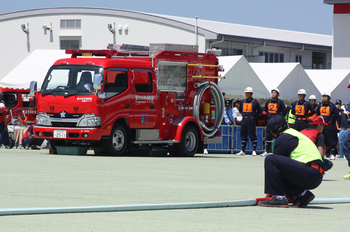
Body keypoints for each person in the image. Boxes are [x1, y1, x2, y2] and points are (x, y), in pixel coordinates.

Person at [258, 114, 324, 208]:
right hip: (315, 174)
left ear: (273, 132)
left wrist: (272, 193)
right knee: (280, 169)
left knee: (270, 159)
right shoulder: (294, 133)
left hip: (308, 172)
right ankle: (302, 195)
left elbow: (275, 170)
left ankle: (279, 198)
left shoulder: (284, 138)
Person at [236, 87, 262, 156]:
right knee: (243, 135)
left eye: (248, 93)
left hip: (251, 120)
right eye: (246, 93)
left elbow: (259, 111)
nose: (246, 94)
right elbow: (240, 110)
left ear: (251, 94)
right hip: (244, 119)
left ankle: (254, 150)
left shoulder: (255, 102)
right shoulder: (242, 101)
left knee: (252, 135)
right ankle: (243, 150)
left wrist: (254, 116)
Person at [261, 88, 285, 157]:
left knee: (277, 136)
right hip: (269, 121)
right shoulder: (268, 101)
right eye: (272, 93)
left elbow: (284, 111)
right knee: (268, 136)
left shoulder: (280, 102)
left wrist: (280, 117)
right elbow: (265, 110)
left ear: (277, 94)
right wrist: (265, 114)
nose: (273, 94)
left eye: (275, 93)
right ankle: (266, 151)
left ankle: (277, 151)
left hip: (276, 122)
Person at [316, 92, 339, 160]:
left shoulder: (332, 106)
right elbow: (317, 114)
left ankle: (333, 153)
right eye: (324, 96)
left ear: (329, 98)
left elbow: (337, 115)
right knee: (323, 139)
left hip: (329, 125)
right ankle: (327, 153)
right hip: (322, 125)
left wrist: (333, 122)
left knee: (331, 139)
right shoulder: (320, 105)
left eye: (326, 96)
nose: (324, 98)